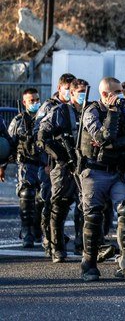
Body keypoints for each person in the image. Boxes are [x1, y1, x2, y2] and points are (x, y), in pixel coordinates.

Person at [79, 77, 125, 281]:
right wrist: (112, 114)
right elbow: (102, 137)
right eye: (118, 91)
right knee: (93, 216)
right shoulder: (91, 112)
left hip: (118, 170)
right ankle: (89, 263)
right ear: (105, 94)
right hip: (95, 171)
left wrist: (115, 145)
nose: (122, 95)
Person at [37, 78, 89, 262]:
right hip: (64, 167)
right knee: (59, 207)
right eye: (80, 91)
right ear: (72, 93)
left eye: (86, 90)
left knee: (87, 208)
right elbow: (42, 136)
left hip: (85, 166)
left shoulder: (91, 111)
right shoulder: (60, 111)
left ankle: (85, 247)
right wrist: (61, 156)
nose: (83, 94)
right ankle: (57, 247)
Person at [34, 73, 75, 258]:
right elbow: (39, 134)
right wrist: (49, 159)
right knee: (50, 202)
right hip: (50, 162)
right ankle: (49, 241)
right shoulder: (50, 107)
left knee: (66, 203)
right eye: (67, 88)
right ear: (60, 88)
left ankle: (61, 239)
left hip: (69, 162)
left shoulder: (73, 108)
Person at [7, 88, 43, 248]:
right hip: (26, 163)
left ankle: (37, 228)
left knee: (43, 198)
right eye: (31, 101)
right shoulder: (18, 120)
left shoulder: (45, 118)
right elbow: (9, 144)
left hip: (44, 163)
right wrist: (2, 166)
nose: (35, 103)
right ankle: (26, 230)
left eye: (37, 99)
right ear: (24, 102)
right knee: (27, 194)